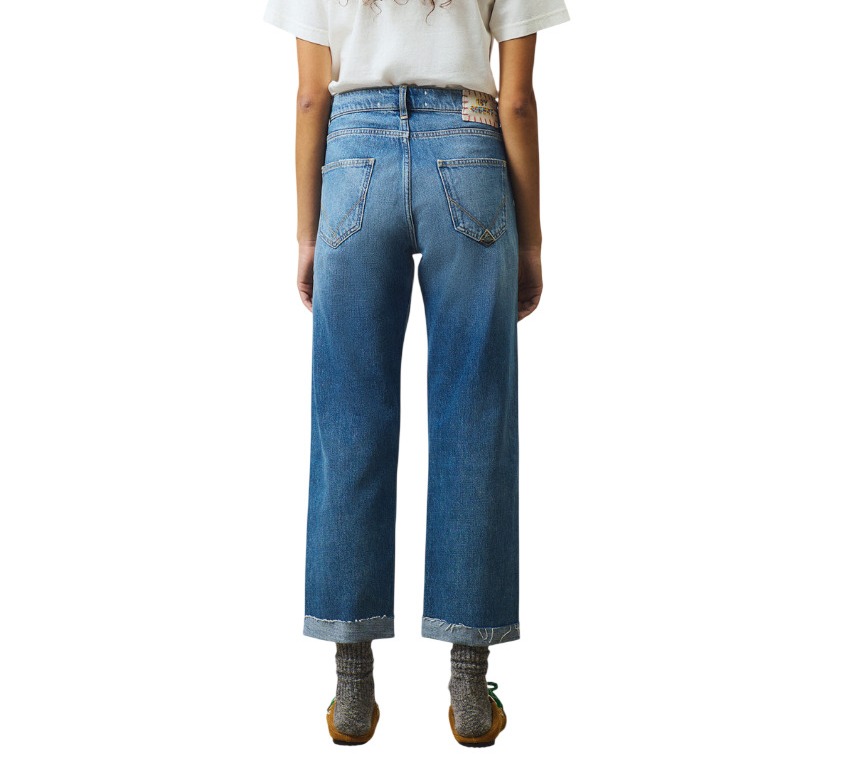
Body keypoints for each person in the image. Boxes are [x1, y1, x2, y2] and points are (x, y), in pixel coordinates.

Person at [263, 0, 570, 747]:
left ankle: (352, 690)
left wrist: (307, 235)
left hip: (352, 162)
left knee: (348, 423)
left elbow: (309, 96)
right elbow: (517, 100)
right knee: (475, 420)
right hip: (470, 154)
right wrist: (531, 243)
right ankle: (469, 690)